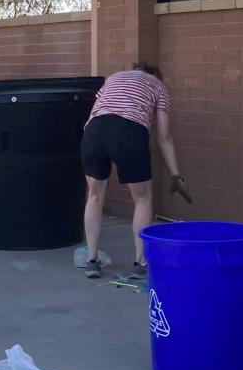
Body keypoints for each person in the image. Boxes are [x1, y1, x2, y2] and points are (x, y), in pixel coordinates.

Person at [80, 62, 191, 280]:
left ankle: (92, 261)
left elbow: (96, 111)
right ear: (155, 75)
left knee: (94, 197)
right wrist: (176, 175)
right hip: (128, 131)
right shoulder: (157, 85)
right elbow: (164, 137)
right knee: (142, 199)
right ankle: (140, 263)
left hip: (93, 132)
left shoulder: (113, 77)